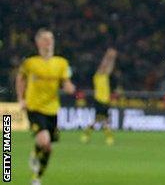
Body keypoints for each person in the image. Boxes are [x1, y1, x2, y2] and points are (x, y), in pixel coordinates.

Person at [15, 29, 76, 185]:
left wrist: (69, 87)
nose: (48, 41)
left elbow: (66, 81)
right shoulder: (30, 62)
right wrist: (21, 99)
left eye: (51, 38)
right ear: (38, 42)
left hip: (52, 109)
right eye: (44, 39)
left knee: (47, 148)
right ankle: (36, 178)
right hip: (34, 108)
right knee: (45, 141)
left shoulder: (61, 63)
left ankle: (37, 173)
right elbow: (20, 79)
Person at [81, 48, 117, 145]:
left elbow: (109, 67)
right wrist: (107, 55)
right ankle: (109, 138)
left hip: (105, 101)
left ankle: (86, 134)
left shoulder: (105, 76)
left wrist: (113, 57)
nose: (105, 68)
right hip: (100, 100)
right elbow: (104, 65)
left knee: (99, 120)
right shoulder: (98, 76)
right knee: (103, 121)